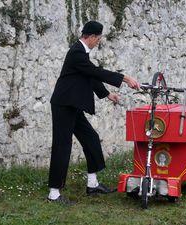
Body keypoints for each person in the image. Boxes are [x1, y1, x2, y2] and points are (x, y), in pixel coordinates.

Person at [47, 21, 140, 204]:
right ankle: (54, 193)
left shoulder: (81, 53)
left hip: (72, 105)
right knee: (62, 146)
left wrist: (106, 94)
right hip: (63, 105)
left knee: (91, 139)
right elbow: (95, 71)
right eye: (98, 38)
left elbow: (88, 75)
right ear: (90, 36)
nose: (98, 42)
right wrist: (124, 78)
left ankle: (92, 184)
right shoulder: (76, 53)